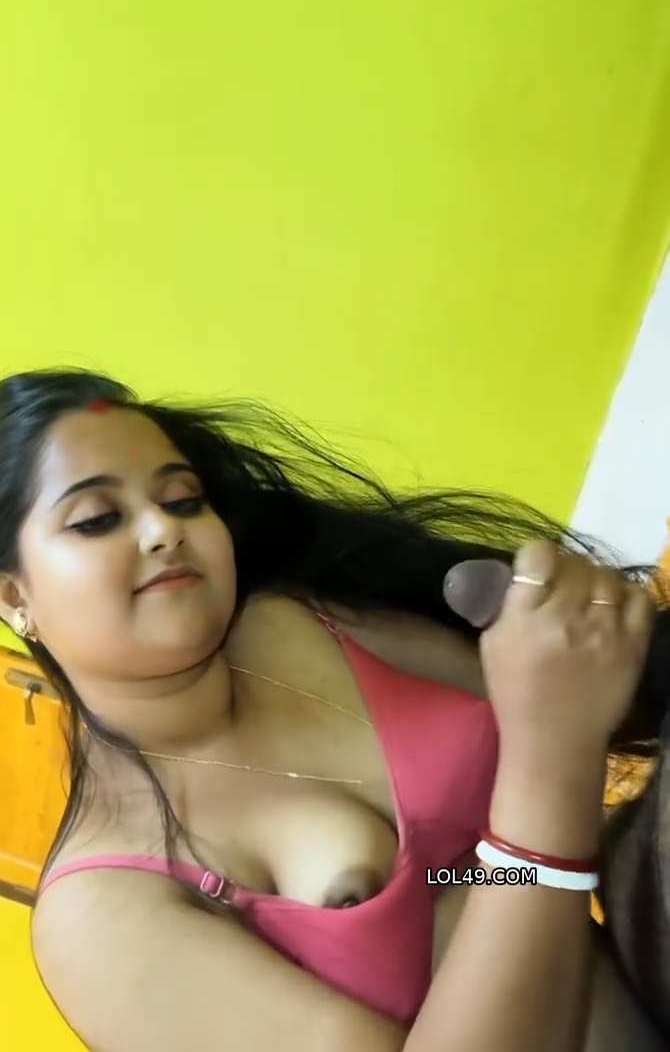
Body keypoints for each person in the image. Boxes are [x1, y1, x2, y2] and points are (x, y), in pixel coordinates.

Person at [1, 366, 668, 1051]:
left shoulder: (303, 621)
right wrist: (550, 763)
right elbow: (552, 746)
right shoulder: (100, 915)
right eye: (98, 519)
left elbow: (596, 695)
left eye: (183, 500)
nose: (162, 530)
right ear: (14, 597)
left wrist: (582, 633)